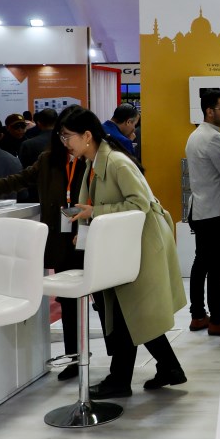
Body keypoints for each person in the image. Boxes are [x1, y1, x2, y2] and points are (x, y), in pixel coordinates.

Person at [61, 106, 187, 398]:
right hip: (124, 245)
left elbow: (139, 203)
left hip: (141, 245)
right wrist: (86, 228)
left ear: (87, 135)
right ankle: (168, 368)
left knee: (126, 312)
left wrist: (95, 212)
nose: (65, 142)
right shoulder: (94, 162)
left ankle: (120, 380)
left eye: (68, 136)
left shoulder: (116, 162)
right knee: (131, 312)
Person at [0, 107, 89, 380]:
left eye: (70, 135)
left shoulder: (94, 159)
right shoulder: (49, 160)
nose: (66, 141)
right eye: (62, 136)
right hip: (63, 241)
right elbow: (16, 180)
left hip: (90, 236)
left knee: (108, 301)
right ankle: (74, 359)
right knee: (68, 303)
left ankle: (124, 366)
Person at [184, 90, 220, 335]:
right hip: (214, 211)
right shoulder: (214, 138)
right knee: (216, 268)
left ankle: (198, 315)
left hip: (200, 209)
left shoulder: (195, 135)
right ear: (209, 111)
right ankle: (217, 321)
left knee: (201, 262)